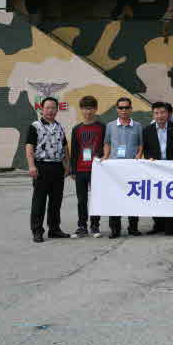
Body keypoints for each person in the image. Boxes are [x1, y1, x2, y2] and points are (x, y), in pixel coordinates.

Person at [26, 97, 71, 243]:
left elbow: (64, 147)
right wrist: (32, 166)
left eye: (53, 108)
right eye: (48, 108)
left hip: (57, 167)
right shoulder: (35, 126)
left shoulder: (59, 127)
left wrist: (67, 165)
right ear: (42, 109)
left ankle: (54, 229)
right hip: (41, 166)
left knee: (56, 201)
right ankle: (37, 230)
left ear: (57, 110)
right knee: (39, 201)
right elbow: (29, 147)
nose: (51, 110)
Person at [102, 97, 143, 238]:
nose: (124, 110)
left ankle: (133, 227)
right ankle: (115, 229)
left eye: (126, 107)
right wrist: (106, 156)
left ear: (131, 109)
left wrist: (139, 155)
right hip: (115, 169)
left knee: (133, 197)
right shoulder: (110, 126)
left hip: (132, 168)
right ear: (116, 109)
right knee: (115, 198)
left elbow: (140, 144)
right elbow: (107, 142)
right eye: (121, 108)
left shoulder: (137, 126)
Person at [68, 96, 106, 239]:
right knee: (81, 199)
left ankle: (95, 226)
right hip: (80, 169)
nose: (88, 111)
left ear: (95, 109)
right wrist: (72, 169)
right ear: (81, 110)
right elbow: (75, 150)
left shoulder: (102, 127)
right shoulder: (77, 129)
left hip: (97, 169)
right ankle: (82, 226)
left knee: (96, 198)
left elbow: (105, 146)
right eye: (85, 108)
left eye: (90, 108)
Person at [141, 101, 173, 236]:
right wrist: (147, 159)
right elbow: (144, 149)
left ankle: (170, 225)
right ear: (153, 115)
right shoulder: (147, 130)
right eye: (157, 113)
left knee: (172, 196)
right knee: (155, 197)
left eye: (163, 112)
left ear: (168, 114)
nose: (160, 116)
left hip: (172, 168)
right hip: (155, 169)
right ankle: (158, 224)